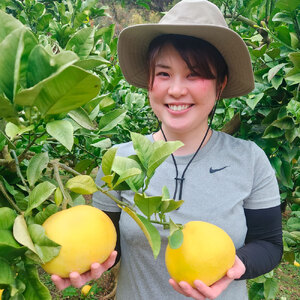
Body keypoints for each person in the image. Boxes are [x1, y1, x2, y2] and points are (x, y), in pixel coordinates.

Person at [52, 1, 283, 299]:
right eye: (163, 74)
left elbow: (268, 244)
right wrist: (88, 261)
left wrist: (237, 265)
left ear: (220, 84)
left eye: (194, 74)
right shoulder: (121, 161)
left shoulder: (249, 160)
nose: (175, 90)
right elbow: (109, 243)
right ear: (149, 82)